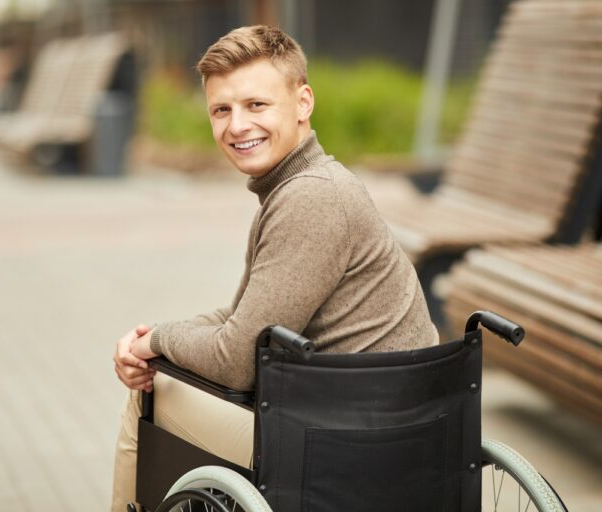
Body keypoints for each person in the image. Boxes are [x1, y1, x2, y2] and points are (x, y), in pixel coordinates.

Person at [111, 25, 438, 510]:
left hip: (350, 443)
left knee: (149, 393)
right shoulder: (302, 186)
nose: (237, 125)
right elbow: (242, 317)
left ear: (303, 103)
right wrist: (153, 335)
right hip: (383, 419)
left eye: (256, 105)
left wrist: (153, 348)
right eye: (221, 110)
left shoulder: (311, 198)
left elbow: (238, 362)